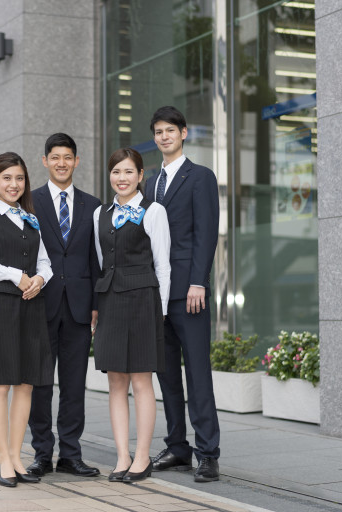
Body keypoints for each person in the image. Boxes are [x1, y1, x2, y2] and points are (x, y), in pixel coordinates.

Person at [0, 152, 54, 488]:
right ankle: (3, 457)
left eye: (19, 178)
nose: (13, 185)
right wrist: (15, 275)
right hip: (0, 305)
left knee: (26, 383)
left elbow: (45, 261)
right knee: (1, 383)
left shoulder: (30, 217)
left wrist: (40, 279)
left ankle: (18, 456)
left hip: (31, 304)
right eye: (6, 178)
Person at [143, 106, 221, 482]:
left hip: (189, 292)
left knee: (197, 373)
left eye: (169, 130)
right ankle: (177, 447)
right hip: (156, 294)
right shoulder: (150, 183)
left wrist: (198, 281)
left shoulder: (200, 177)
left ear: (184, 133)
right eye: (158, 131)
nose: (163, 136)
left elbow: (206, 233)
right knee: (167, 374)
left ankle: (208, 452)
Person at [93, 147, 171, 483]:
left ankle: (142, 457)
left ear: (141, 175)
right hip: (110, 300)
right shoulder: (100, 213)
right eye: (115, 172)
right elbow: (101, 260)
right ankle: (122, 455)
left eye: (128, 172)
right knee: (115, 382)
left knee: (141, 382)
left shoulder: (154, 211)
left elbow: (163, 266)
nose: (121, 178)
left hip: (143, 301)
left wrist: (161, 312)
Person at [27, 133, 102, 477]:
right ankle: (42, 452)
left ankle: (70, 453)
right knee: (41, 383)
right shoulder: (30, 202)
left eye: (67, 157)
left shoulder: (93, 205)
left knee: (74, 385)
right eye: (55, 157)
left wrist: (97, 304)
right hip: (40, 305)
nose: (61, 163)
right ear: (44, 161)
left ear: (76, 161)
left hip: (78, 309)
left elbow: (96, 260)